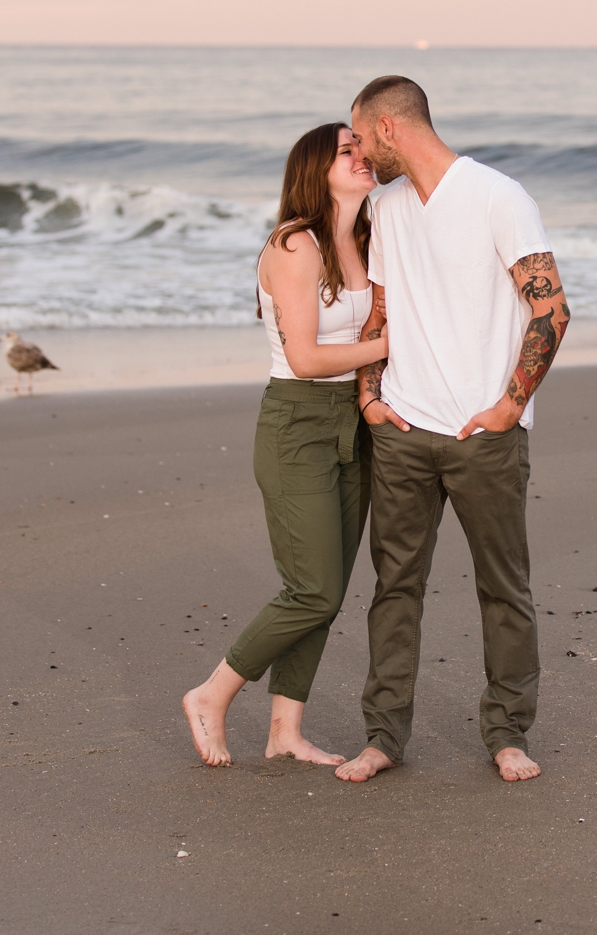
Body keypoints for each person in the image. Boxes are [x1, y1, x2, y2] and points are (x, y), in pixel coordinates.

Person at [334, 76, 571, 785]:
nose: (361, 154)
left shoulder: (499, 197)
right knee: (394, 588)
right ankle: (384, 737)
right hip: (403, 431)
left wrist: (507, 407)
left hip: (485, 436)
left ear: (389, 127)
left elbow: (551, 311)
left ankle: (507, 732)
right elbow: (380, 312)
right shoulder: (387, 206)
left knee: (504, 586)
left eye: (361, 137)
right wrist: (370, 397)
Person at [181, 123, 388, 767]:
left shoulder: (366, 239)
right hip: (296, 425)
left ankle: (285, 731)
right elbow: (303, 358)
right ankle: (212, 694)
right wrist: (398, 346)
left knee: (324, 586)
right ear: (314, 169)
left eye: (364, 147)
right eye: (346, 150)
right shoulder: (295, 245)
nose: (362, 157)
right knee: (313, 590)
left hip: (352, 425)